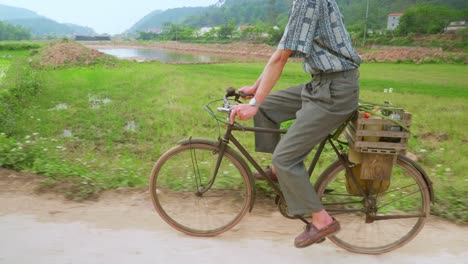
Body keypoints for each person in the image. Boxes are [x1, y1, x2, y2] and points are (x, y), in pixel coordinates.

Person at [229, 0, 361, 248]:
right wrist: (257, 91)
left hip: (335, 90)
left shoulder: (308, 1)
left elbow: (281, 57)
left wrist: (254, 103)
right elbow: (281, 50)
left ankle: (322, 221)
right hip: (322, 83)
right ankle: (280, 173)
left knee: (285, 156)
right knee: (267, 108)